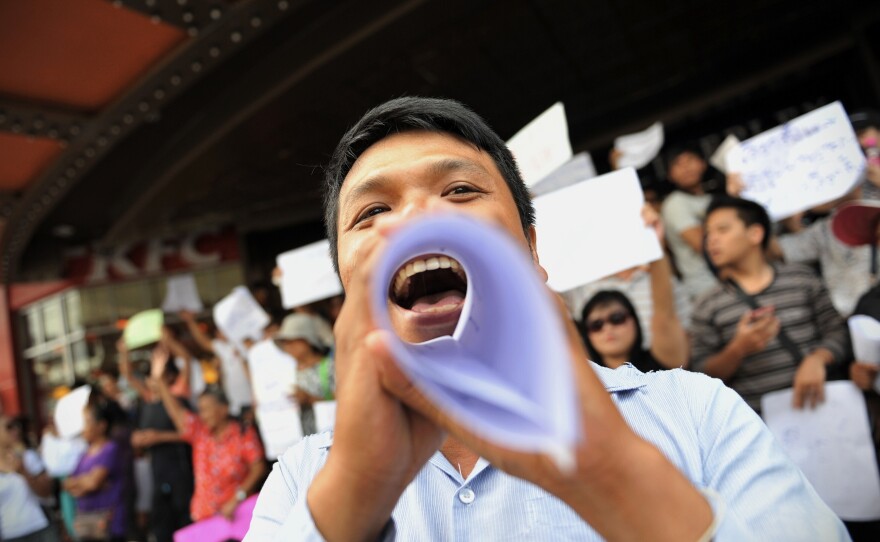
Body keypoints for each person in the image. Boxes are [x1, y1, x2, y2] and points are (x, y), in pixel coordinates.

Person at [245, 97, 847, 540]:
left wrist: (611, 474)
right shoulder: (304, 480)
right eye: (374, 209)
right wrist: (351, 498)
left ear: (533, 251)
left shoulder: (694, 413)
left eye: (458, 191)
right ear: (346, 284)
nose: (418, 219)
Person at [690, 196, 851, 413]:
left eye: (722, 229)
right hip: (761, 425)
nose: (711, 240)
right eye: (708, 232)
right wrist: (738, 349)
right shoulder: (707, 304)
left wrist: (818, 359)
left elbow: (838, 331)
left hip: (827, 410)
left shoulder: (801, 278)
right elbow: (700, 374)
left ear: (755, 233)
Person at [151, 347, 266, 524]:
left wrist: (238, 497)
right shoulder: (200, 432)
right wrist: (160, 382)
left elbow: (258, 468)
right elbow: (177, 413)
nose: (203, 415)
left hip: (236, 514)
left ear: (224, 409)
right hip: (204, 515)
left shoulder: (243, 433)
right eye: (201, 410)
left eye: (207, 410)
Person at [579, 211, 689, 372]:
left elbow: (664, 314)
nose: (607, 328)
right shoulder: (585, 379)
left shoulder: (664, 363)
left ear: (635, 320)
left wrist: (655, 245)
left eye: (617, 318)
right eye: (596, 325)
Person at [121, 338, 195, 542]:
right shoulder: (146, 404)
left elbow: (191, 433)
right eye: (151, 378)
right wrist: (139, 440)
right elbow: (138, 437)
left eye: (157, 377)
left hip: (181, 475)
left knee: (185, 526)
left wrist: (159, 437)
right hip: (158, 476)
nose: (151, 382)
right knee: (162, 529)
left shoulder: (179, 402)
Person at [659, 146, 721, 299]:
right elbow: (703, 246)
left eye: (690, 160)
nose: (685, 167)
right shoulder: (675, 203)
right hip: (705, 288)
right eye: (677, 164)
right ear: (670, 174)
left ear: (703, 163)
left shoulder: (713, 199)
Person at [64, 395, 128, 542]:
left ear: (101, 425)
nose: (83, 428)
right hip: (87, 522)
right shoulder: (84, 454)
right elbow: (67, 484)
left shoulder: (110, 448)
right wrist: (87, 482)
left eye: (87, 422)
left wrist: (84, 483)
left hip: (108, 521)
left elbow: (93, 483)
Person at [179, 311, 254, 417]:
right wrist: (190, 321)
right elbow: (203, 341)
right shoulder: (222, 347)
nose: (217, 333)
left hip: (252, 402)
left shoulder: (245, 343)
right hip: (235, 406)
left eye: (220, 329)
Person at [0, 414, 59, 542]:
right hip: (10, 533)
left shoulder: (28, 457)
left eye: (16, 426)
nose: (16, 430)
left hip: (40, 526)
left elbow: (47, 492)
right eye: (9, 427)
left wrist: (24, 472)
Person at [274, 314, 335, 435]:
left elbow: (345, 401)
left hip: (328, 436)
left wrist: (310, 399)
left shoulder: (329, 366)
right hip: (298, 440)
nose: (288, 346)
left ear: (307, 341)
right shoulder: (285, 371)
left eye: (292, 341)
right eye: (285, 342)